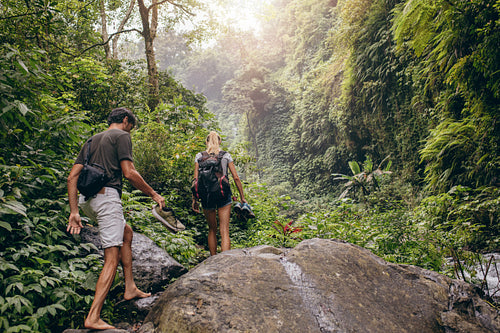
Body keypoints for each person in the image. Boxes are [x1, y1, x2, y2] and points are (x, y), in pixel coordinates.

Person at [66, 107, 165, 330]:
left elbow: (72, 176)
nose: (131, 130)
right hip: (107, 198)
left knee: (126, 233)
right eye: (132, 125)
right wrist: (154, 194)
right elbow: (129, 172)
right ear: (126, 120)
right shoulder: (122, 136)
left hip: (86, 200)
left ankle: (129, 287)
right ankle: (93, 316)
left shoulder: (92, 140)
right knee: (111, 257)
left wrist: (74, 212)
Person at [192, 131, 247, 255]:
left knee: (212, 229)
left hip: (206, 196)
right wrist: (242, 197)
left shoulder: (199, 157)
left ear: (206, 142)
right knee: (224, 231)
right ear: (220, 141)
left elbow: (195, 180)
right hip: (223, 195)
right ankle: (225, 261)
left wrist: (194, 200)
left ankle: (213, 260)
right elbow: (236, 178)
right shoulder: (225, 156)